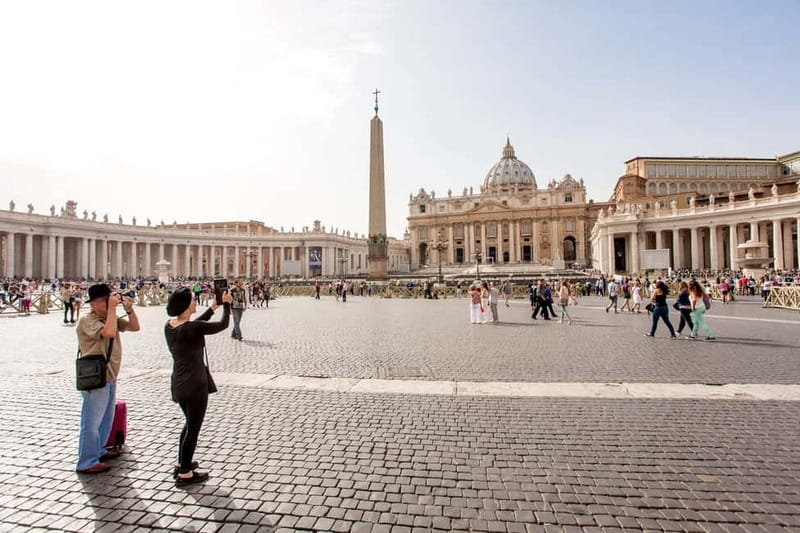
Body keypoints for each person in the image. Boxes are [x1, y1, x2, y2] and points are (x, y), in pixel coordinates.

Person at [164, 286, 232, 486]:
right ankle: (185, 473)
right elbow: (222, 325)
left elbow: (193, 325)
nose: (195, 302)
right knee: (193, 429)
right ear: (186, 306)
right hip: (195, 384)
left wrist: (213, 307)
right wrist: (227, 305)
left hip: (179, 383)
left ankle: (181, 462)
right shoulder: (191, 328)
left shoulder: (170, 326)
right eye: (192, 300)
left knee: (188, 425)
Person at [76, 283, 140, 474]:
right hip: (95, 377)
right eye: (105, 300)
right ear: (94, 303)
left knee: (106, 419)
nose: (107, 304)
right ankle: (87, 461)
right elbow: (108, 333)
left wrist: (129, 310)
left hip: (110, 376)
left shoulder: (108, 317)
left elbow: (134, 327)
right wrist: (112, 309)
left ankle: (99, 450)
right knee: (91, 421)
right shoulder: (87, 320)